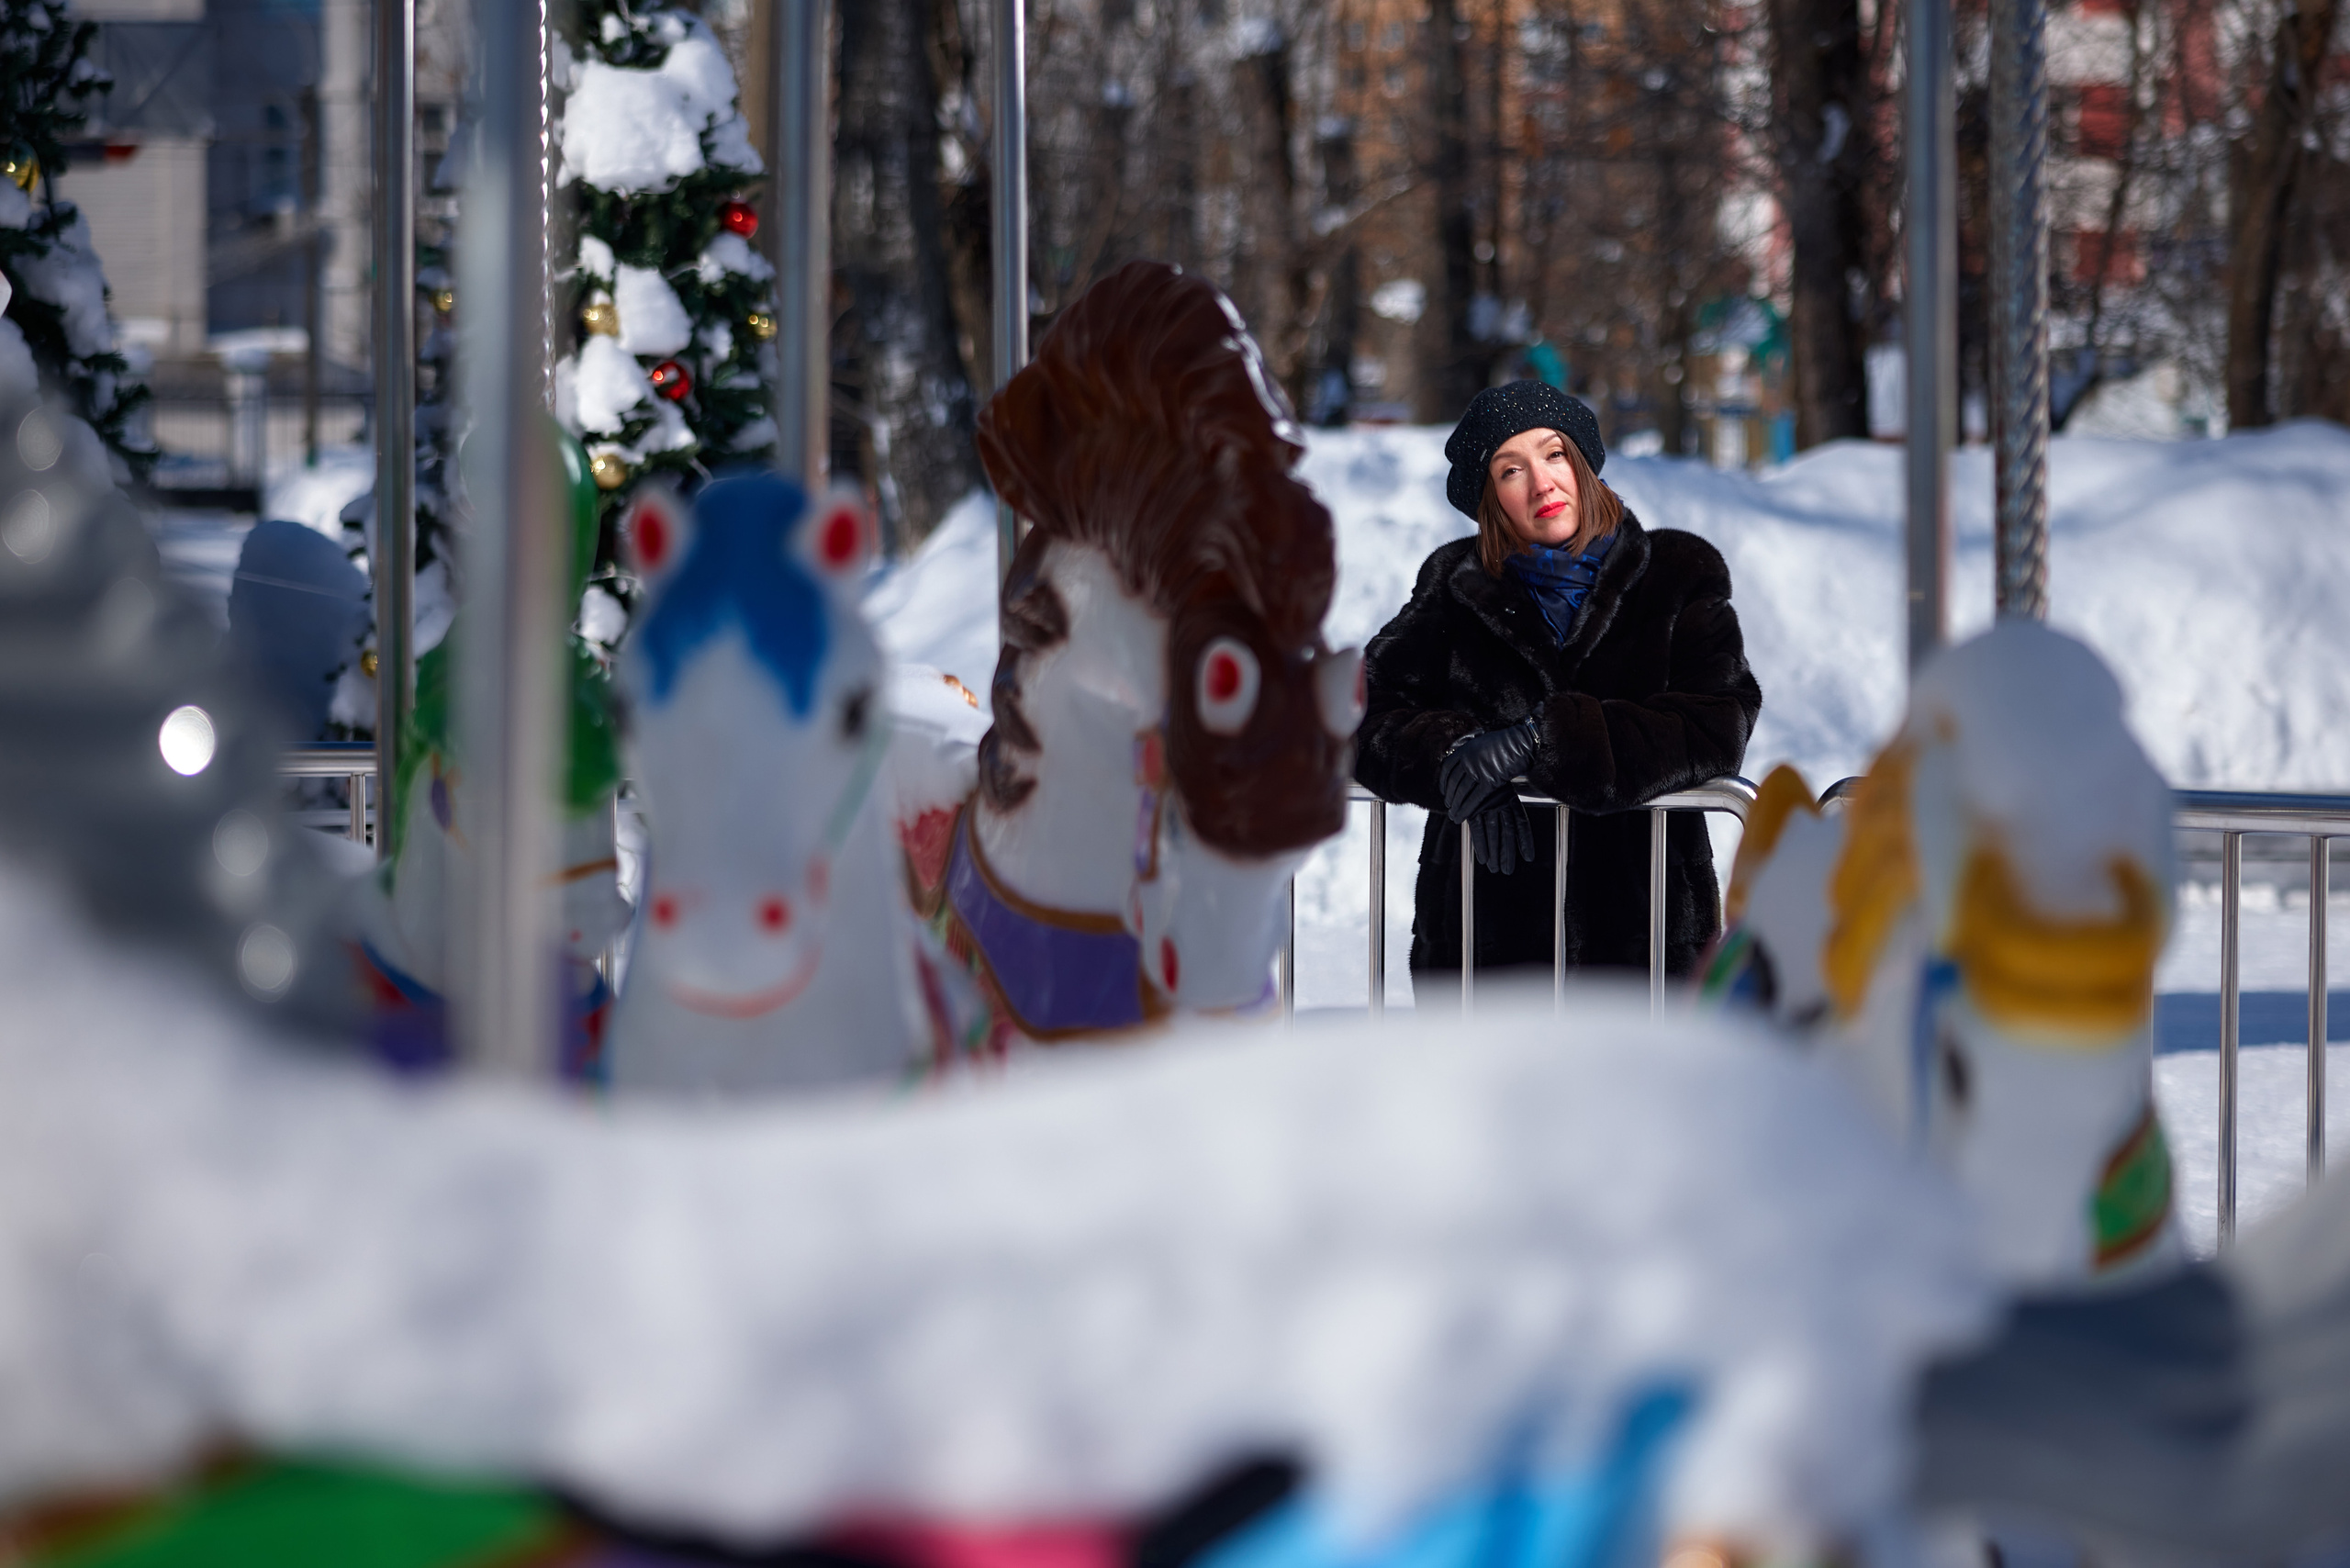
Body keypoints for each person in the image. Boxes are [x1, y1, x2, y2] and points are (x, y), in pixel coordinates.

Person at [1354, 382, 1762, 996]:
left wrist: (1543, 741)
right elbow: (1362, 706)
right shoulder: (1454, 587)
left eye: (1554, 454)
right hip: (1481, 956)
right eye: (1511, 469)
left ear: (1583, 461)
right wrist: (1455, 761)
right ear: (1490, 496)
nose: (1542, 483)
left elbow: (1715, 723)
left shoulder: (1678, 576)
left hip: (1644, 952)